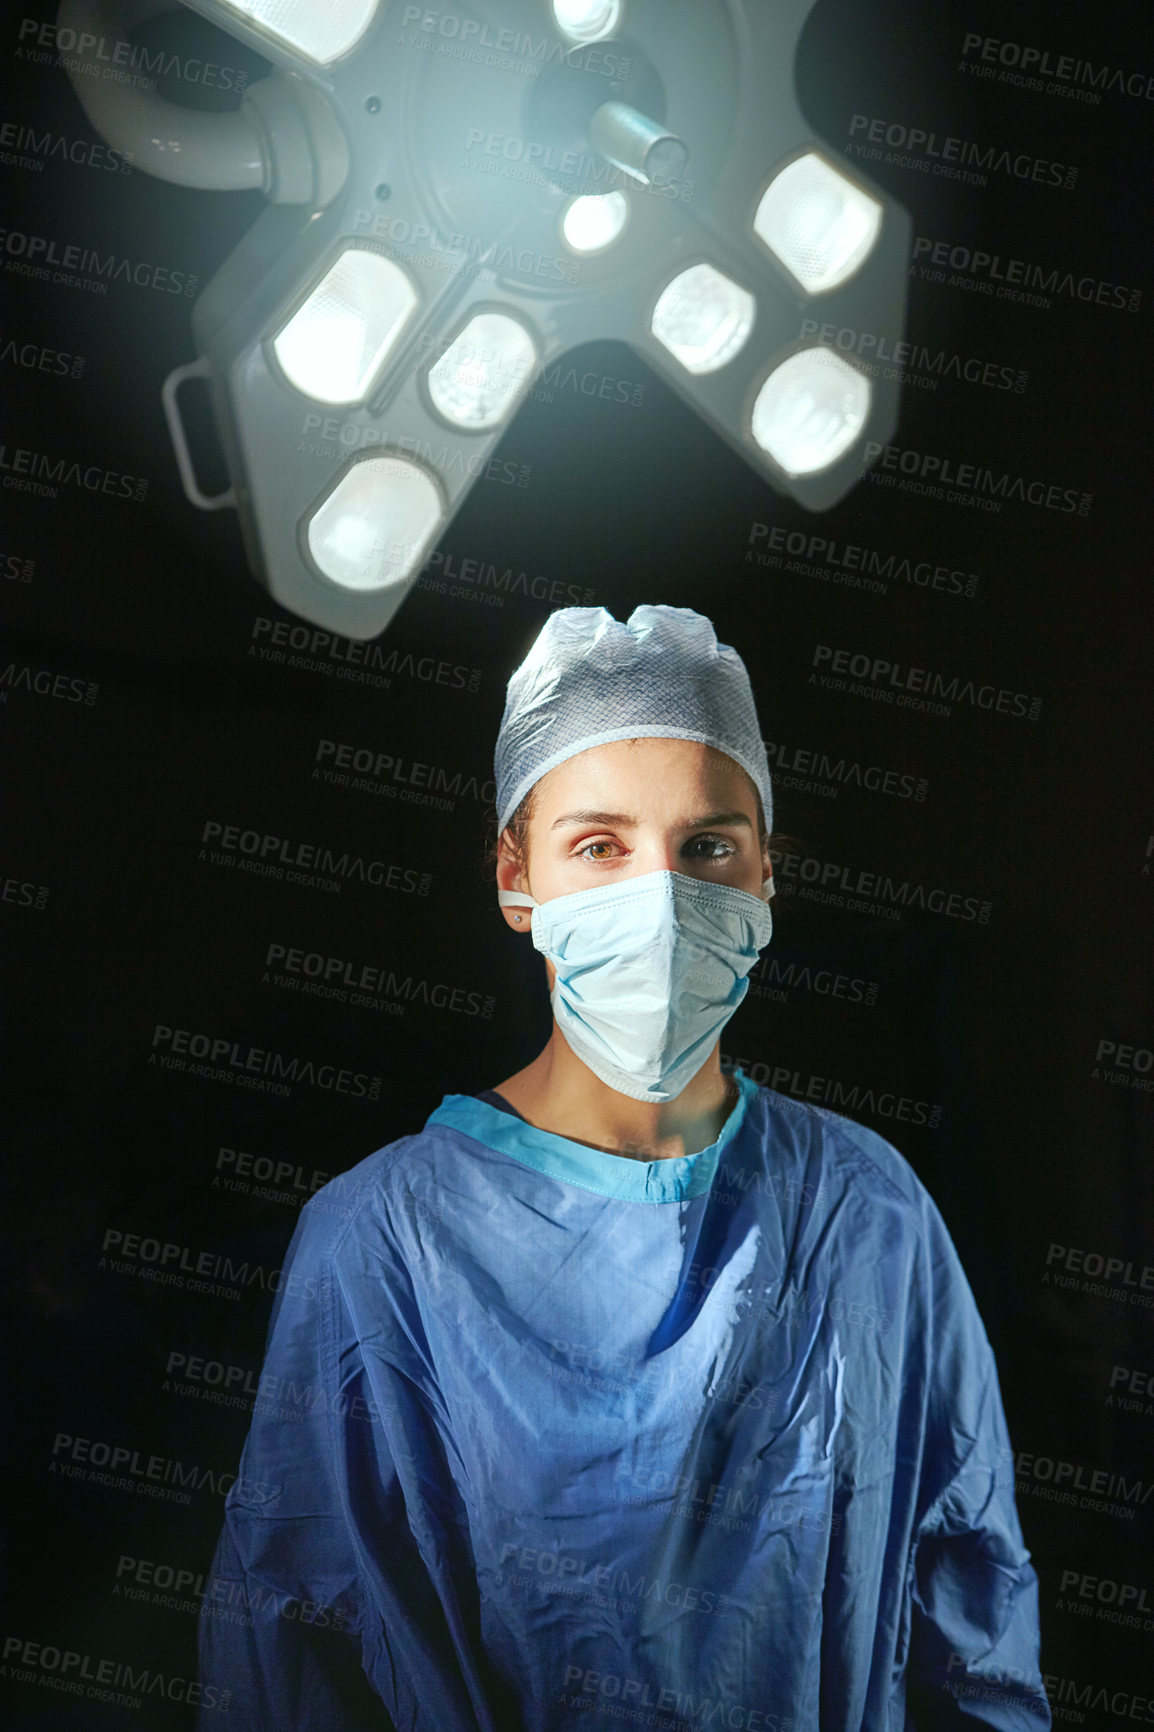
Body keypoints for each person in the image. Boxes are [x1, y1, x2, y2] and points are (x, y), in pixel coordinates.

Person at [197, 605, 1050, 1730]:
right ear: (516, 876)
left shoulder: (865, 1210)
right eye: (597, 845)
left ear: (763, 879)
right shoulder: (384, 1241)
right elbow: (292, 1653)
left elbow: (973, 1617)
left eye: (706, 847)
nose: (658, 896)